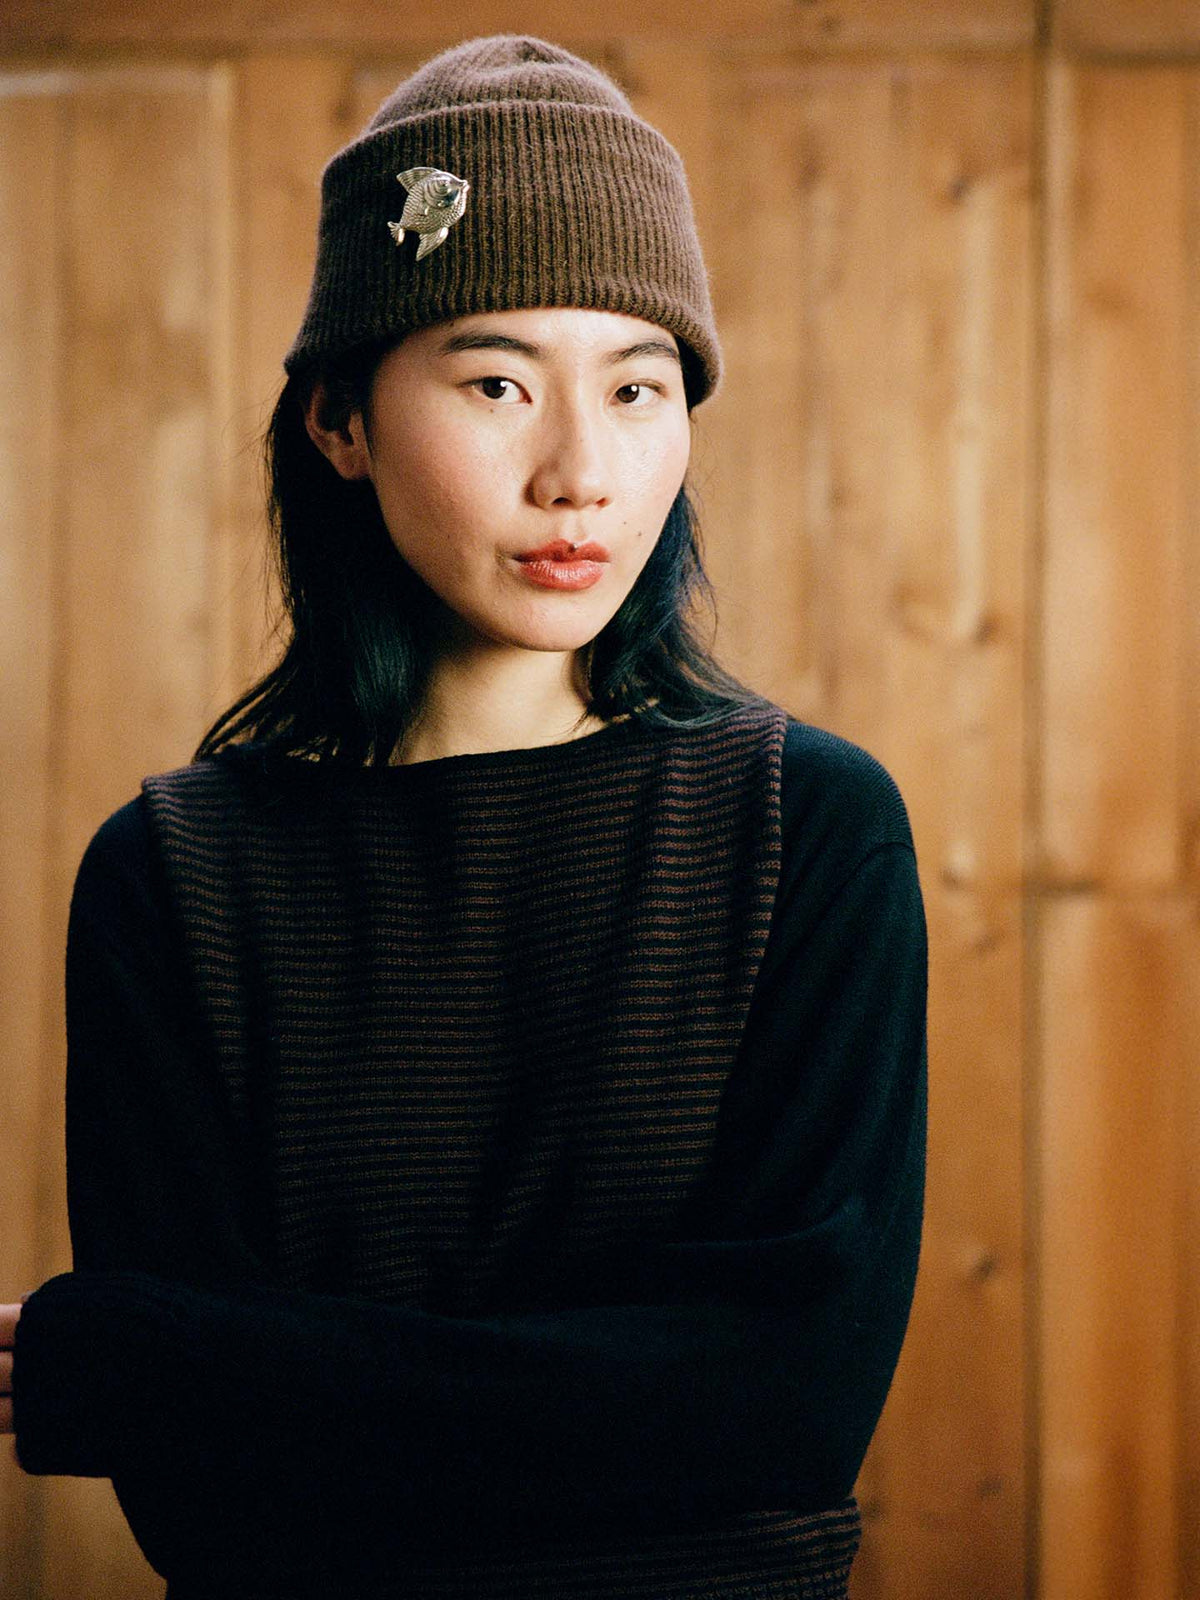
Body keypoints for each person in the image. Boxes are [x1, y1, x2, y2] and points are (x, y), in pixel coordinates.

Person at [1, 33, 928, 1600]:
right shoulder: (174, 872)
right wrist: (188, 1389)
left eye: (640, 386)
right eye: (498, 381)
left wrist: (180, 1360)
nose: (583, 471)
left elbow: (781, 1406)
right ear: (342, 424)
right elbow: (192, 1502)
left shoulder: (806, 828)